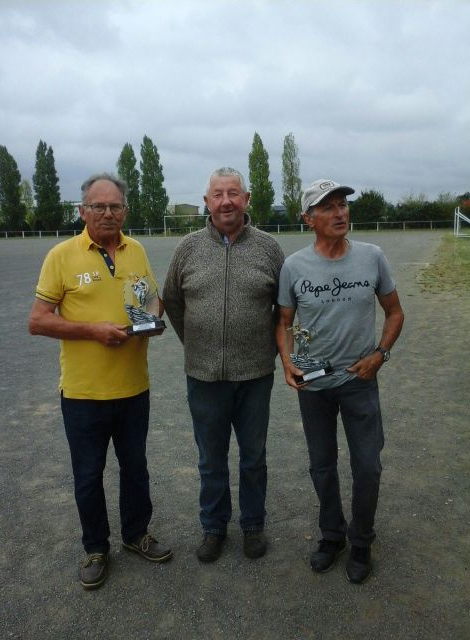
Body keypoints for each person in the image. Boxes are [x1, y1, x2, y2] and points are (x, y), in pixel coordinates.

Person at [28, 173, 172, 590]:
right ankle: (95, 547)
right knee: (88, 475)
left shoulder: (137, 249)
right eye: (98, 207)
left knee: (136, 469)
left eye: (115, 207)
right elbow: (37, 321)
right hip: (83, 394)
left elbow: (148, 301)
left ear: (125, 211)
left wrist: (153, 321)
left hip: (133, 388)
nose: (108, 214)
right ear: (83, 211)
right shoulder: (61, 255)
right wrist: (93, 331)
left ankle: (135, 534)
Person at [276, 179, 404, 584]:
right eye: (328, 207)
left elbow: (395, 312)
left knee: (368, 466)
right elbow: (283, 322)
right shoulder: (294, 266)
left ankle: (361, 540)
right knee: (321, 465)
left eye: (343, 205)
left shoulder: (372, 257)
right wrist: (286, 362)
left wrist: (379, 355)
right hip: (314, 385)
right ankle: (332, 534)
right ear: (307, 219)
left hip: (359, 380)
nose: (340, 213)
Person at [163, 167, 285, 562]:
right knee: (210, 459)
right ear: (207, 201)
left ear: (246, 200)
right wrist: (197, 344)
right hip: (203, 377)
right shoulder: (187, 248)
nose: (226, 200)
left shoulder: (268, 248)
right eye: (218, 194)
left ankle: (252, 525)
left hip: (255, 376)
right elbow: (172, 303)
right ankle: (213, 527)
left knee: (253, 457)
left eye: (234, 193)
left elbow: (285, 308)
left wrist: (266, 349)